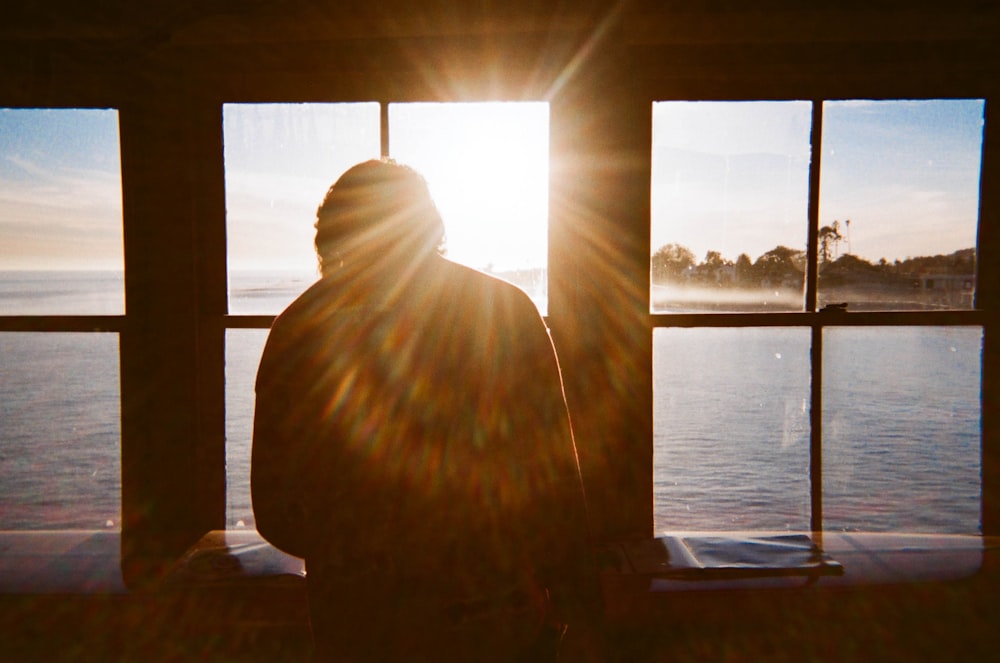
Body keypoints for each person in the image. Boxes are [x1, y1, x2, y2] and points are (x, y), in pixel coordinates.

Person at [251, 159, 603, 661]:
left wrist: (366, 546)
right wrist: (583, 617)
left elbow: (275, 511)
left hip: (359, 623)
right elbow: (558, 492)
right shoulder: (505, 311)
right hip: (496, 616)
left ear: (332, 234)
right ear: (430, 225)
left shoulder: (298, 332)